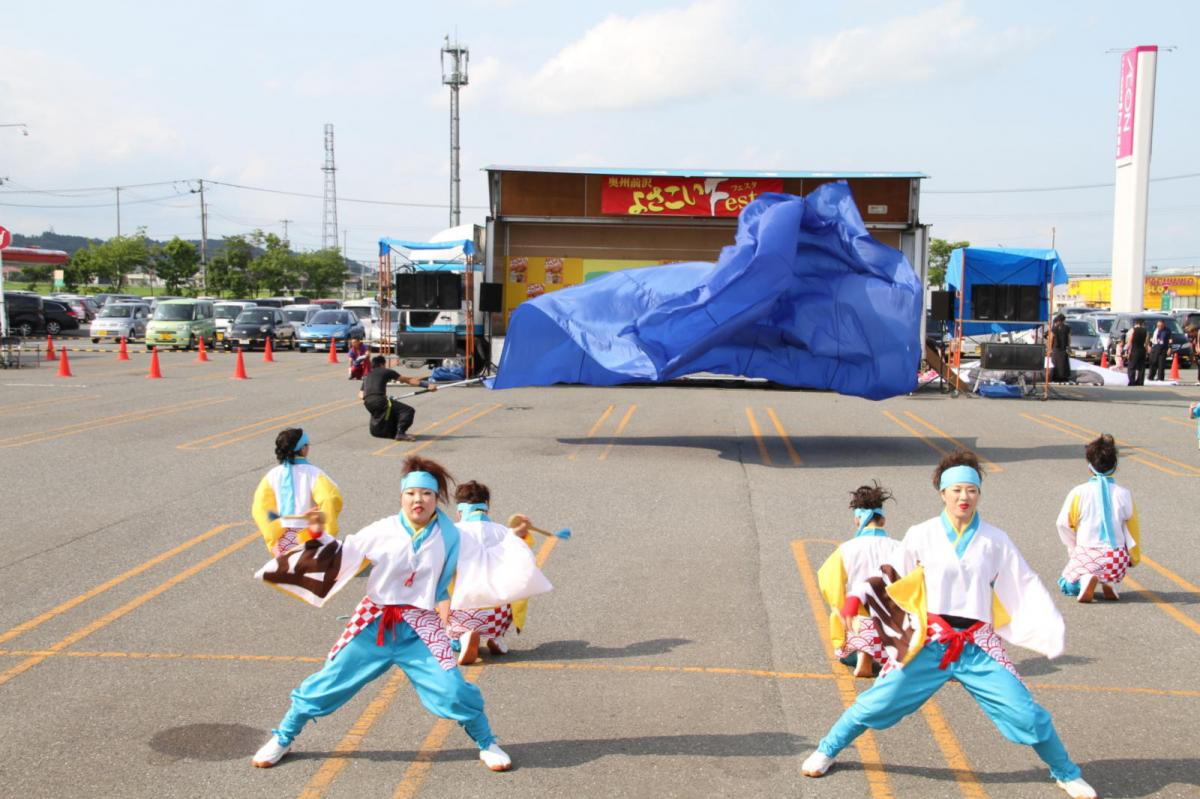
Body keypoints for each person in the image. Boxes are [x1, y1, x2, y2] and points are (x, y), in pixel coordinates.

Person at [801, 450, 1097, 799]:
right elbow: (889, 575)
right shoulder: (921, 534)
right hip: (928, 642)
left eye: (971, 490)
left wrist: (1046, 627)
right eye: (956, 490)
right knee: (877, 703)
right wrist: (855, 600)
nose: (964, 497)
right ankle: (827, 749)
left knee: (1028, 714)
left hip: (977, 645)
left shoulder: (995, 540)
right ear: (942, 493)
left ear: (979, 494)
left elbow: (1024, 583)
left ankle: (1065, 772)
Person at [251, 455, 551, 772]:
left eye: (425, 494)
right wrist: (315, 534)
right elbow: (341, 554)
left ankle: (487, 743)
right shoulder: (382, 530)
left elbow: (488, 544)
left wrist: (514, 535)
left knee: (453, 690)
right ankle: (283, 737)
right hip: (374, 623)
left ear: (437, 499)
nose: (417, 500)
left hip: (420, 626)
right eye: (410, 494)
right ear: (401, 497)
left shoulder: (452, 535)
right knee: (326, 683)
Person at [441, 481, 534, 665]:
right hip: (496, 615)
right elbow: (523, 560)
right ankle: (496, 636)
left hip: (462, 612)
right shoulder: (504, 532)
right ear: (486, 508)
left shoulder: (451, 533)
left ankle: (460, 637)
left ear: (460, 511)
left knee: (441, 589)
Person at [816, 482, 902, 678]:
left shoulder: (847, 549)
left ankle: (863, 653)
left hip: (860, 621)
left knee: (845, 627)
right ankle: (884, 655)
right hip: (892, 626)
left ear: (857, 520)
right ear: (884, 521)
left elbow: (830, 585)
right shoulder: (899, 548)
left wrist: (841, 610)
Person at [1055, 434, 1141, 603]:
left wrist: (1073, 548)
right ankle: (1108, 581)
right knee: (1106, 566)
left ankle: (1086, 579)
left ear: (1089, 466)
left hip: (1087, 554)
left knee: (1065, 583)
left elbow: (1063, 524)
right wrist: (1133, 558)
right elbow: (1132, 530)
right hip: (1116, 560)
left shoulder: (1078, 492)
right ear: (1115, 465)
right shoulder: (1124, 494)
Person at [251, 428, 343, 556]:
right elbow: (330, 498)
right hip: (310, 534)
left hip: (283, 539)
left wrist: (273, 540)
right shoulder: (314, 474)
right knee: (311, 569)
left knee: (288, 569)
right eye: (307, 444)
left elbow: (260, 508)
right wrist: (327, 530)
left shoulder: (272, 475)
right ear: (303, 449)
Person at [360, 355, 434, 442]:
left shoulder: (367, 375)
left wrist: (381, 398)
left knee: (390, 410)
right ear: (382, 364)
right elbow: (407, 380)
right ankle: (401, 433)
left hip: (368, 402)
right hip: (379, 400)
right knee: (407, 411)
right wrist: (427, 385)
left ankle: (389, 432)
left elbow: (360, 394)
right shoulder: (386, 371)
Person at [1125, 318, 1148, 386]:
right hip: (1142, 350)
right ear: (1142, 324)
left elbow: (1129, 341)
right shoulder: (1146, 331)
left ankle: (1132, 381)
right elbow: (1146, 343)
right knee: (1141, 367)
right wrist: (1146, 352)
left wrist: (1127, 351)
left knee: (1132, 367)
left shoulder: (1132, 330)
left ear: (1136, 323)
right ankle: (1140, 381)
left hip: (1134, 349)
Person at [1049, 314, 1071, 383]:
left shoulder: (1054, 329)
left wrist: (1050, 348)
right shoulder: (1067, 328)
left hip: (1056, 348)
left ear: (1058, 320)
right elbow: (1069, 338)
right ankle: (1064, 378)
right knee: (1064, 364)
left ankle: (1055, 378)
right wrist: (1069, 347)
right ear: (1064, 320)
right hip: (1063, 348)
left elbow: (1051, 339)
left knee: (1056, 363)